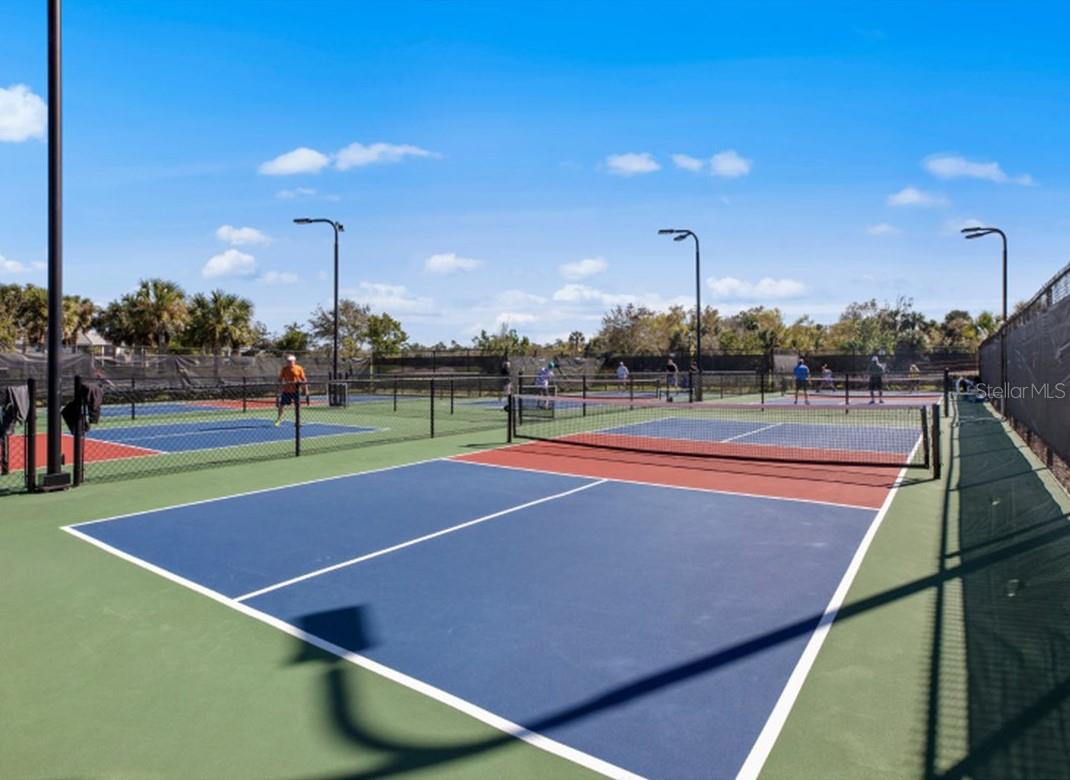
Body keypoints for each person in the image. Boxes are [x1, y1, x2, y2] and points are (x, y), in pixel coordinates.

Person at [275, 354, 309, 425]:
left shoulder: (299, 368)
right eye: (288, 361)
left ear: (294, 361)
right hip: (286, 391)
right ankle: (279, 419)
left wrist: (305, 389)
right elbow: (280, 379)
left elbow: (304, 379)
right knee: (281, 405)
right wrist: (279, 389)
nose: (289, 362)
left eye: (290, 361)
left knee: (297, 406)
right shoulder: (284, 369)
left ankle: (297, 421)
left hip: (296, 391)